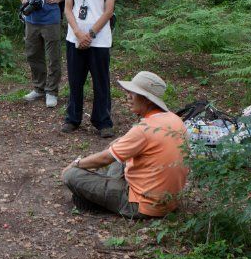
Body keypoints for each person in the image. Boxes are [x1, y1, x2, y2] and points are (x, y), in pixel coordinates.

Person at [61, 71, 188, 219]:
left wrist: (76, 164)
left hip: (142, 205)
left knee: (71, 175)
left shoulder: (143, 130)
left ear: (147, 100)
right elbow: (121, 147)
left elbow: (105, 158)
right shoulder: (175, 119)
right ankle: (102, 189)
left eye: (133, 93)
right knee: (118, 154)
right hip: (169, 201)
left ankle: (99, 197)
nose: (128, 96)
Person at [61, 0, 117, 137]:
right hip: (74, 38)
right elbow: (68, 9)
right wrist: (77, 33)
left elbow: (108, 11)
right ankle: (72, 118)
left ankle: (103, 121)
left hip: (99, 40)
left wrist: (90, 34)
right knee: (75, 80)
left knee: (100, 81)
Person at [10, 0, 71, 108]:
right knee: (33, 55)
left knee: (53, 57)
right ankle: (39, 88)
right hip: (31, 18)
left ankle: (52, 91)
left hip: (50, 18)